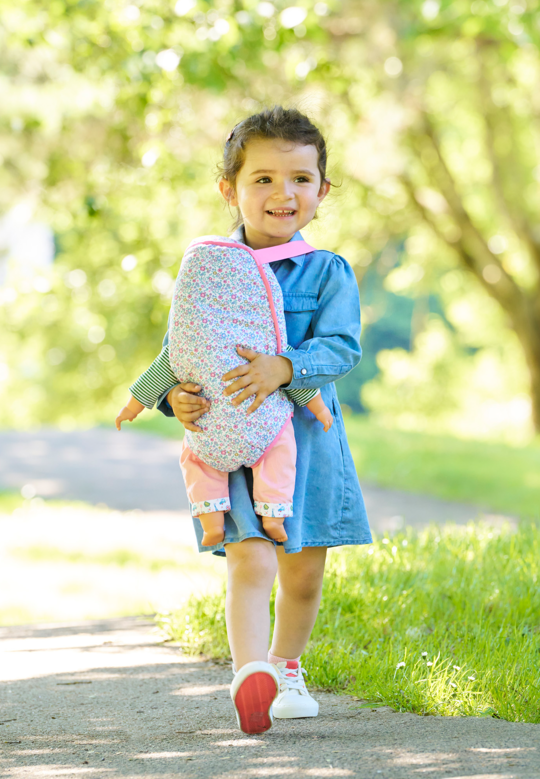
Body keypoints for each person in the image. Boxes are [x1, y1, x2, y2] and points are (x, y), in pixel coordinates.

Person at [158, 106, 371, 735]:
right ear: (230, 189)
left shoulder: (327, 270)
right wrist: (176, 396)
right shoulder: (211, 269)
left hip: (305, 443)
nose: (284, 193)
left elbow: (341, 347)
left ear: (322, 191)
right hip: (234, 442)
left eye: (302, 179)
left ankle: (287, 665)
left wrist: (286, 367)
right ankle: (251, 675)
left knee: (301, 570)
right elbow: (184, 343)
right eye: (264, 179)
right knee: (248, 557)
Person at [115, 239, 335, 547]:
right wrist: (321, 410)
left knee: (197, 462)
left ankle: (211, 522)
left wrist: (131, 407)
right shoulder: (263, 338)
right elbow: (299, 380)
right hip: (264, 424)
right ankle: (274, 516)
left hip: (209, 428)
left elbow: (154, 376)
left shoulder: (186, 342)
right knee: (279, 455)